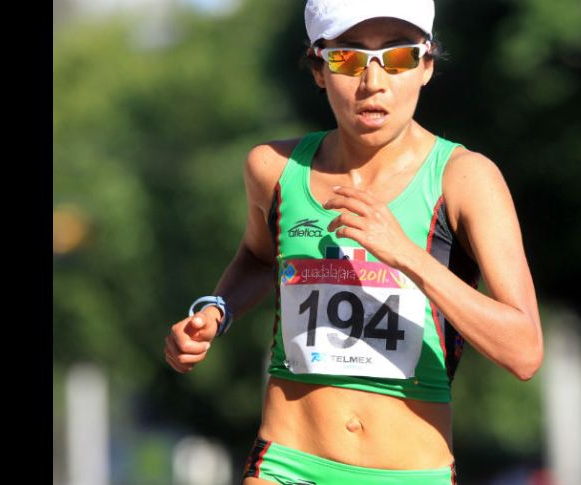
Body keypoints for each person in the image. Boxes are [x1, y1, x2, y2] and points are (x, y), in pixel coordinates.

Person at [164, 1, 543, 483]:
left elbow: (524, 351)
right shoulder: (274, 169)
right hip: (288, 463)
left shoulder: (466, 179)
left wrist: (406, 255)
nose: (373, 82)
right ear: (318, 69)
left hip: (411, 473)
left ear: (427, 66)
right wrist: (216, 311)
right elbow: (259, 258)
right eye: (348, 58)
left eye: (399, 57)